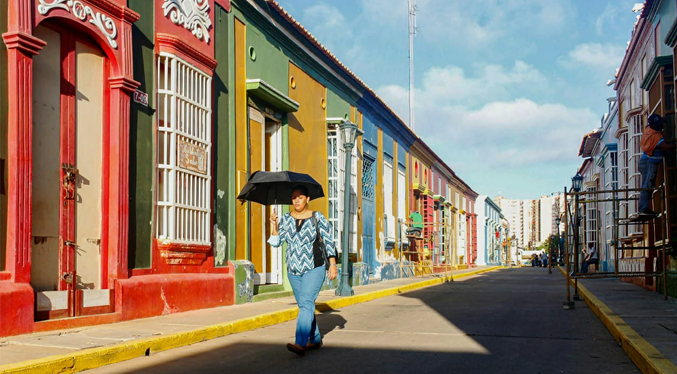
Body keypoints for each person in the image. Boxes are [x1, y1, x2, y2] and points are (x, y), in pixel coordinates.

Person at [268, 185, 338, 356]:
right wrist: (274, 225)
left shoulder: (317, 217)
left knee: (306, 302)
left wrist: (333, 263)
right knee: (304, 305)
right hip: (293, 269)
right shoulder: (285, 219)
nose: (296, 200)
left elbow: (329, 241)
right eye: (294, 198)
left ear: (307, 199)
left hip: (314, 267)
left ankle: (300, 342)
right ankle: (314, 338)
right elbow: (276, 242)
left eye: (300, 197)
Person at [638, 114, 677, 216]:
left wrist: (663, 119)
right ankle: (643, 209)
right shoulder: (656, 136)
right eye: (659, 125)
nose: (661, 126)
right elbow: (666, 146)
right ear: (654, 126)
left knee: (648, 185)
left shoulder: (648, 129)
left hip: (645, 162)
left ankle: (644, 208)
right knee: (647, 185)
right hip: (649, 163)